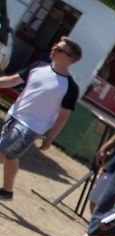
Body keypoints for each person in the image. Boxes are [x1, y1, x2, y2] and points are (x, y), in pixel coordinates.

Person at [0, 37, 81, 199]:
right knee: (9, 155)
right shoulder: (38, 67)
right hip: (14, 115)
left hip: (31, 127)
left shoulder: (70, 87)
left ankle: (7, 191)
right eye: (54, 46)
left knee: (3, 149)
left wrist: (50, 138)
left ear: (69, 58)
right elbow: (14, 80)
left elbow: (63, 116)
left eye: (59, 49)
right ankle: (7, 191)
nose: (53, 49)